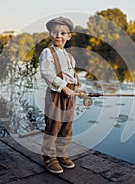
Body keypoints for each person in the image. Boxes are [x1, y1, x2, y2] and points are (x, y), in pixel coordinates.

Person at [39, 16, 86, 174]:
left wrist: (78, 89)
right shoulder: (48, 52)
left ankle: (61, 153)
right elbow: (47, 73)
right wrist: (64, 88)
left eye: (63, 33)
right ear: (50, 34)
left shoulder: (69, 56)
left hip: (70, 94)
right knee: (54, 125)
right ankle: (49, 156)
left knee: (66, 125)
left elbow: (72, 75)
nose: (58, 35)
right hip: (56, 94)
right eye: (55, 32)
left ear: (69, 36)